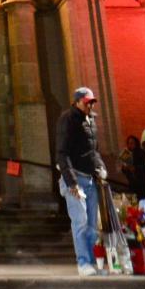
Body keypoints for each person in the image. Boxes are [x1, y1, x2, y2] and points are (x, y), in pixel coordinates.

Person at [54, 86, 108, 276]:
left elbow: (94, 150)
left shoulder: (91, 119)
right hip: (76, 178)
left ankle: (94, 262)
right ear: (77, 101)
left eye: (92, 102)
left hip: (91, 179)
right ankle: (83, 262)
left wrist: (100, 166)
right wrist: (72, 183)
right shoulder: (67, 119)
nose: (90, 106)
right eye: (87, 102)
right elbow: (62, 152)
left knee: (93, 225)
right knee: (81, 222)